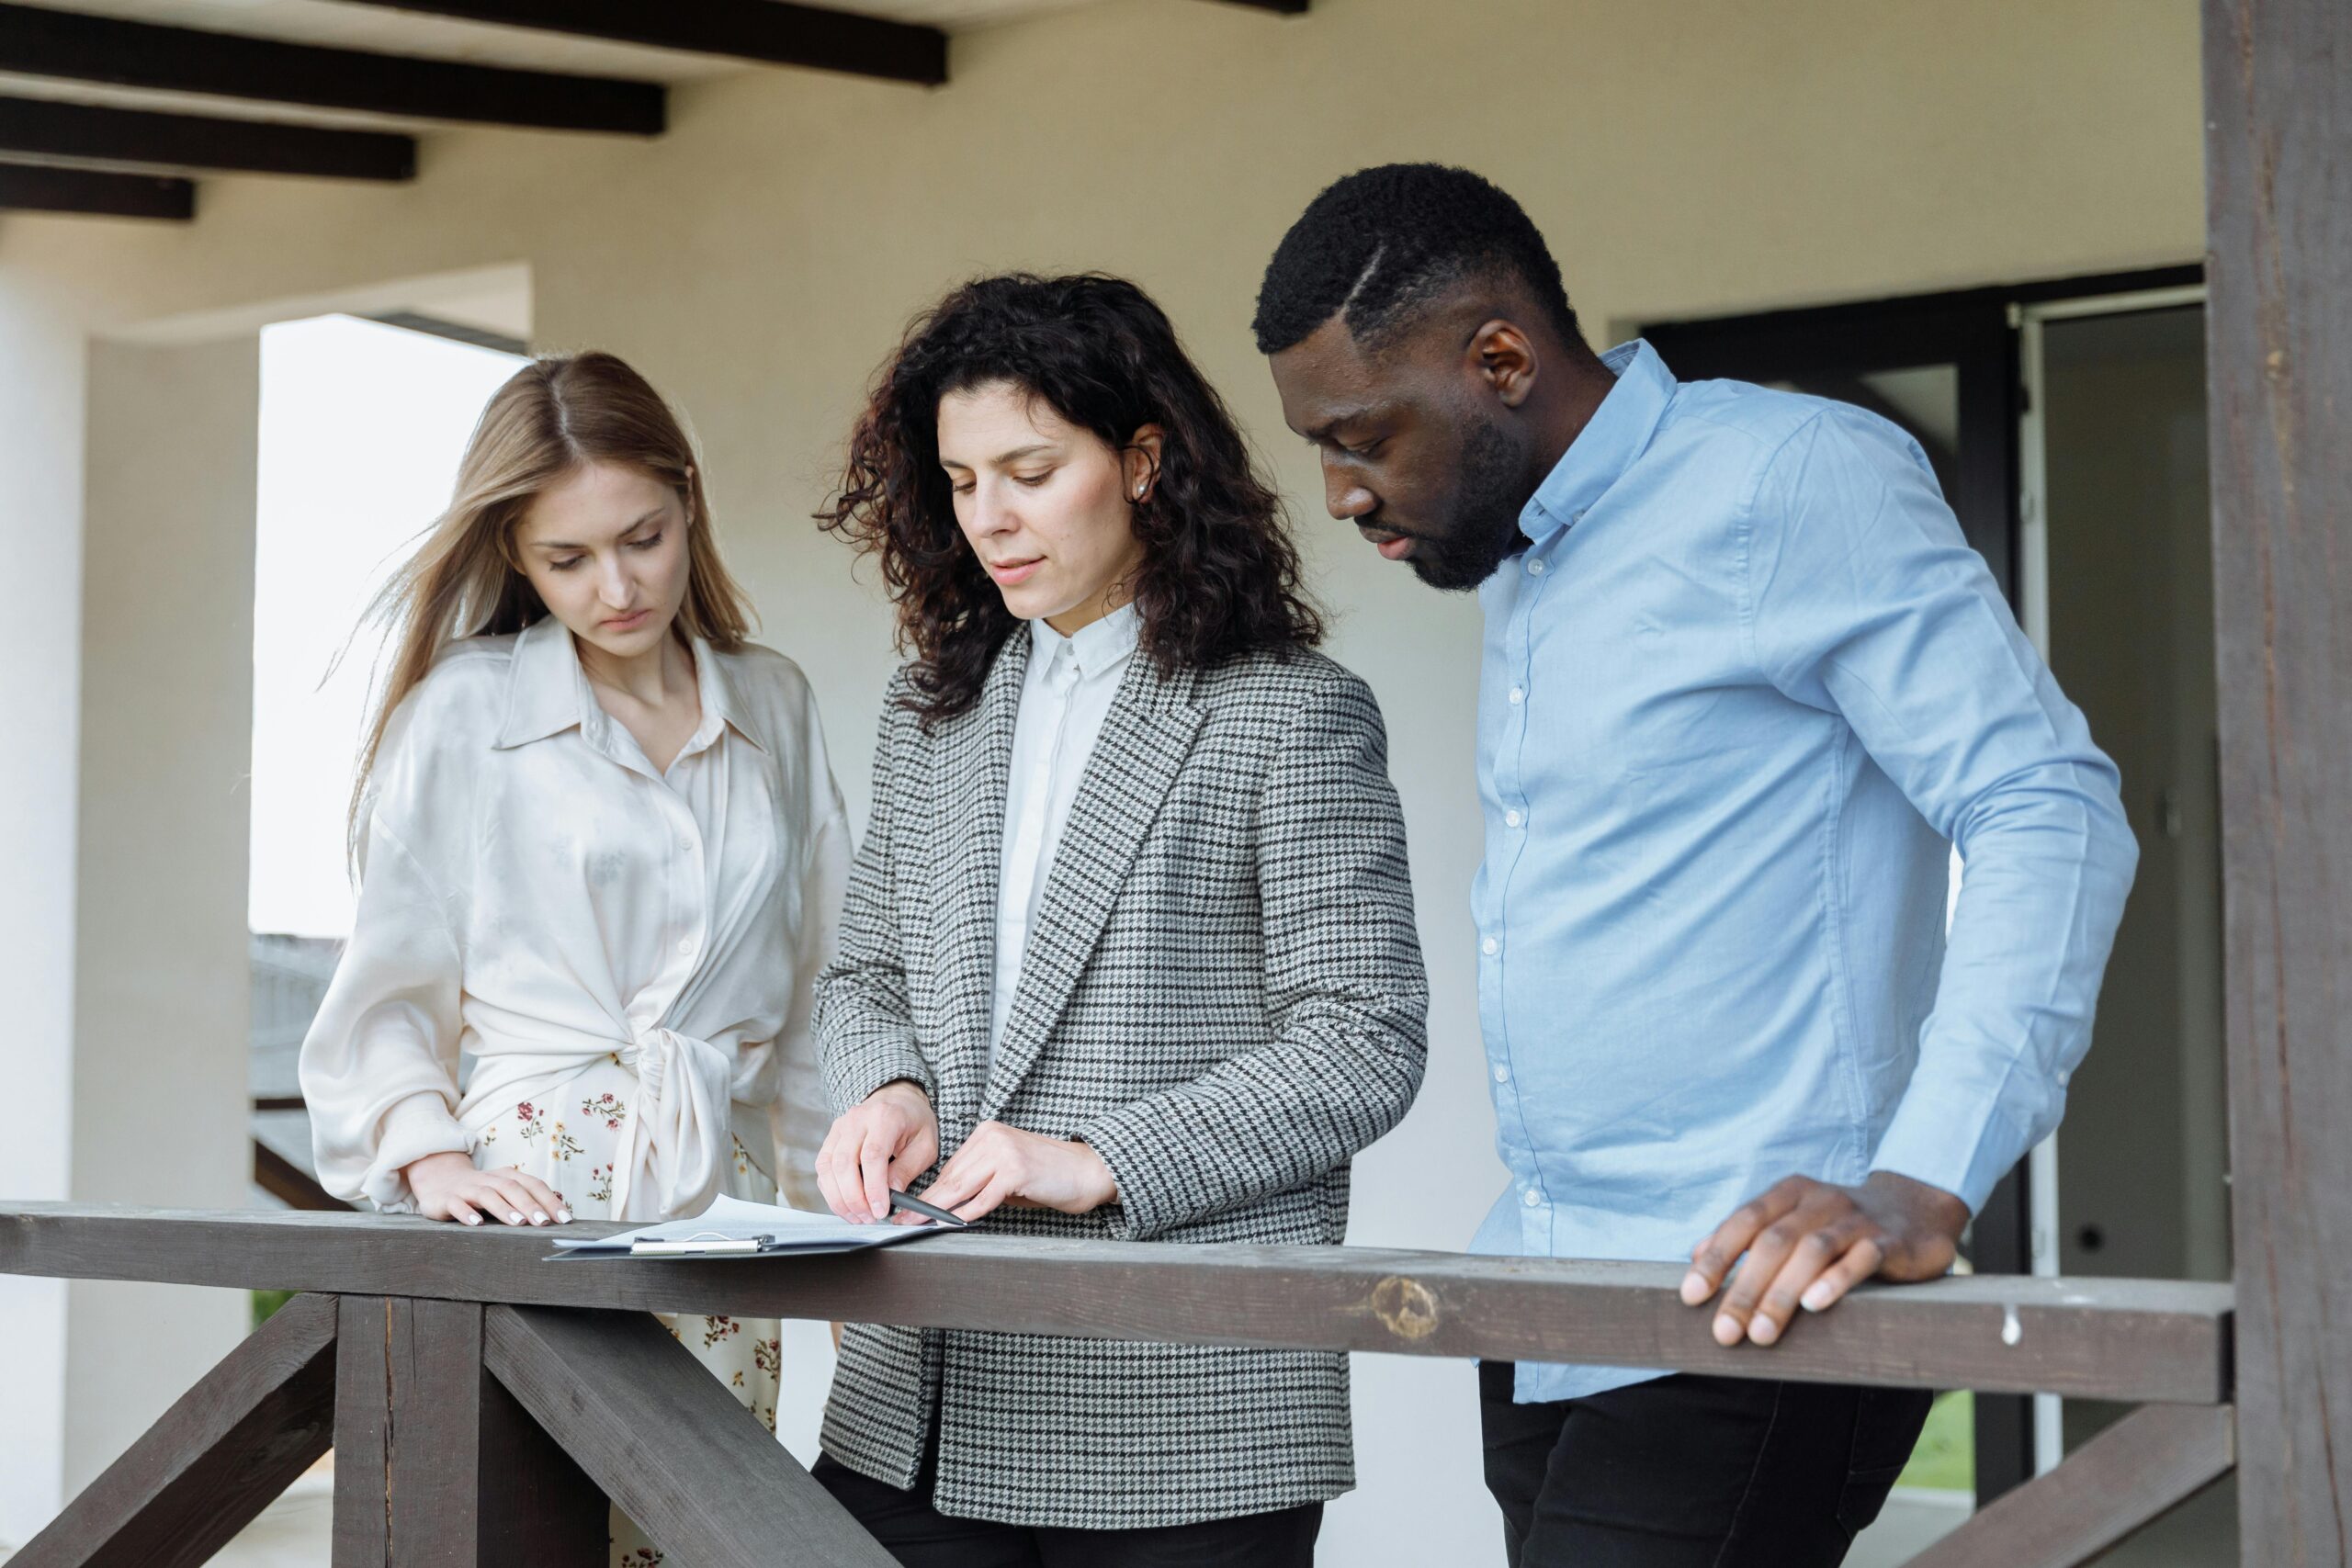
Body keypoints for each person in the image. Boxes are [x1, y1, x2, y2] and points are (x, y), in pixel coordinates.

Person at [1254, 164, 2139, 1565]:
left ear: (1500, 360)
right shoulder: (1531, 557)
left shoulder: (1790, 478)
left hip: (1757, 1300)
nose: (1341, 492)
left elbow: (2045, 803)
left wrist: (1926, 1175)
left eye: (1363, 435)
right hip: (1550, 1292)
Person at [807, 272, 1428, 1567]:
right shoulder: (934, 712)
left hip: (1182, 1411)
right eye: (964, 480)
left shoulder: (1292, 714)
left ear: (1143, 460)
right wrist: (890, 1087)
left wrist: (1097, 1156)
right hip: (913, 1398)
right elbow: (863, 972)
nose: (991, 517)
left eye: (1030, 470)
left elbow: (1366, 1040)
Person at [299, 351, 849, 1566]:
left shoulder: (775, 705)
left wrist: (844, 1215)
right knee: (525, 1536)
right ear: (514, 559)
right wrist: (428, 1149)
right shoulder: (465, 713)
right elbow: (390, 978)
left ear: (687, 501)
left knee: (696, 1537)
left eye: (641, 537)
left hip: (722, 1204)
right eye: (567, 559)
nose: (616, 586)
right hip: (530, 1185)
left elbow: (817, 989)